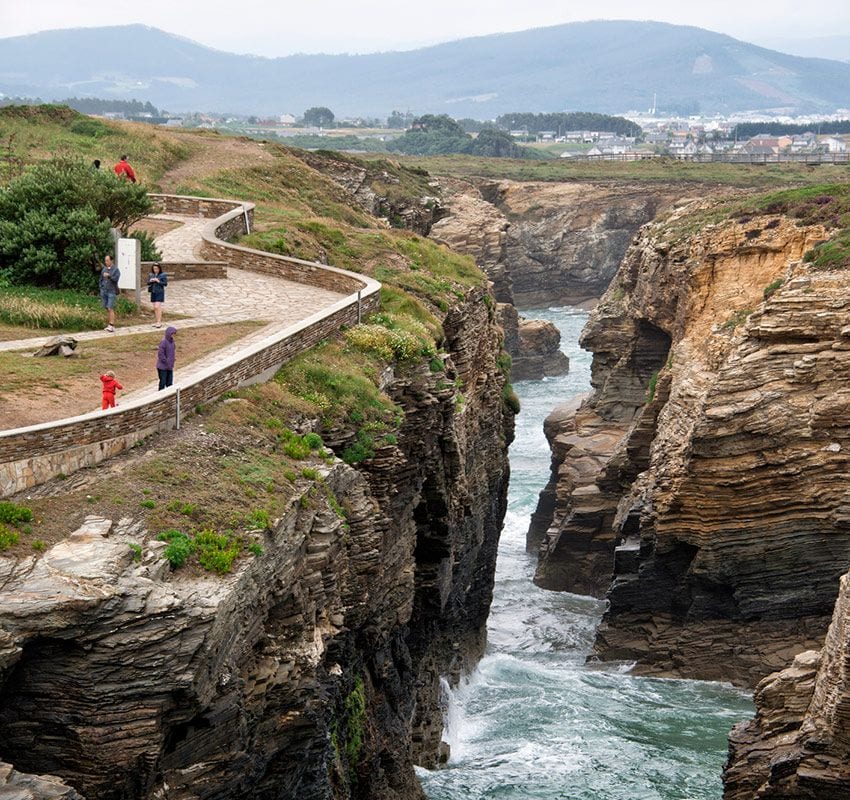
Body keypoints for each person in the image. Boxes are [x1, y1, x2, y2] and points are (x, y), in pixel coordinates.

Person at [98, 254, 120, 332]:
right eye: (105, 260)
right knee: (107, 308)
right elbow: (100, 279)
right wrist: (101, 287)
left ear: (111, 260)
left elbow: (116, 279)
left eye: (107, 260)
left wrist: (109, 276)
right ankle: (109, 324)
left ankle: (111, 325)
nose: (106, 262)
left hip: (112, 291)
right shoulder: (104, 269)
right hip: (104, 291)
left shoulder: (116, 270)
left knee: (110, 307)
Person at [146, 262, 168, 327]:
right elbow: (147, 283)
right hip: (153, 292)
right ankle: (157, 321)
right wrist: (151, 280)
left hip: (160, 292)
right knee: (155, 308)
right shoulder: (151, 274)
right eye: (154, 268)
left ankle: (159, 322)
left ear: (159, 268)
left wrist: (158, 281)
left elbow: (165, 284)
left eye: (156, 268)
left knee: (157, 306)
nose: (155, 270)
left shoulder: (163, 275)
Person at [156, 326, 177, 390]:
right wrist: (166, 361)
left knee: (169, 383)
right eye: (172, 334)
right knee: (163, 382)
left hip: (169, 366)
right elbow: (160, 354)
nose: (173, 335)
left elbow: (172, 352)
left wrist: (172, 360)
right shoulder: (164, 342)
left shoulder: (172, 342)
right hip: (163, 367)